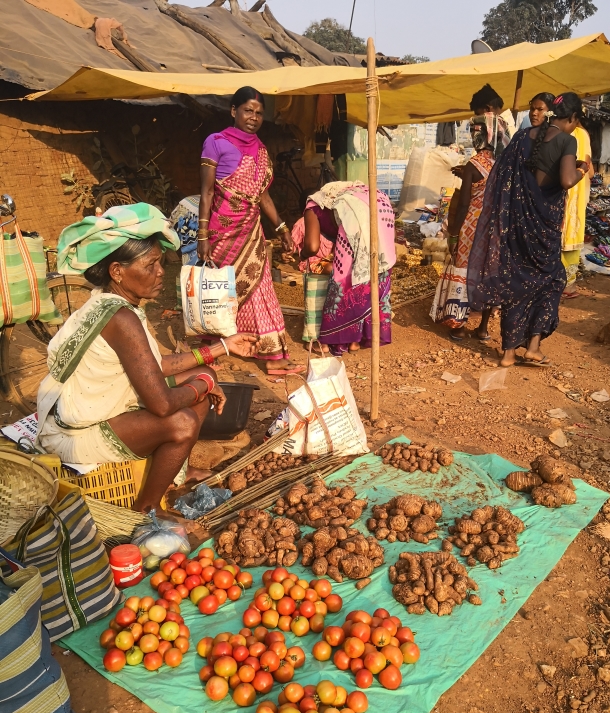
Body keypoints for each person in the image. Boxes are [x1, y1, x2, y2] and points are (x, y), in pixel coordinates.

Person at [35, 203, 259, 514]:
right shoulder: (121, 318)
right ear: (118, 271)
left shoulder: (110, 303)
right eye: (150, 264)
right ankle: (145, 511)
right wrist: (205, 383)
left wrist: (221, 348)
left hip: (88, 410)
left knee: (202, 378)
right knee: (181, 423)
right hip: (72, 436)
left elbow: (155, 365)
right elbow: (162, 405)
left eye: (160, 263)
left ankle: (173, 474)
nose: (160, 272)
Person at [467, 93, 589, 368]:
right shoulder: (566, 140)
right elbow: (567, 180)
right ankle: (532, 347)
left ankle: (509, 353)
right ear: (571, 119)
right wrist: (583, 169)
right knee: (553, 280)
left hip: (516, 228)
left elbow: (503, 177)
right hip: (543, 229)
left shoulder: (523, 137)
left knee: (516, 282)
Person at [197, 86, 303, 376]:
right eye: (248, 110)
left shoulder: (260, 149)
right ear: (234, 111)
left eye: (259, 113)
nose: (253, 117)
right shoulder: (215, 143)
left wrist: (282, 229)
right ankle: (214, 347)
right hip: (221, 234)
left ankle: (272, 355)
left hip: (251, 232)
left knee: (259, 289)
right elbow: (206, 193)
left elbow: (264, 197)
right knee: (220, 293)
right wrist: (202, 235)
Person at [296, 181, 396, 356]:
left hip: (357, 221)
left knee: (348, 283)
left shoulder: (312, 206)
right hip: (381, 212)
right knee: (369, 278)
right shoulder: (340, 199)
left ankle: (334, 340)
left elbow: (312, 246)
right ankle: (356, 340)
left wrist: (302, 255)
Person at [430, 116, 502, 339]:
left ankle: (459, 326)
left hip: (472, 225)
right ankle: (482, 328)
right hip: (494, 226)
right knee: (489, 271)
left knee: (462, 268)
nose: (472, 136)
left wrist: (454, 231)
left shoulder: (472, 166)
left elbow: (463, 204)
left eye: (474, 132)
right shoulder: (502, 165)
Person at [561, 121, 594, 299]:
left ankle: (558, 283)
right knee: (572, 235)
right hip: (579, 193)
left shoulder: (563, 134)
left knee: (559, 235)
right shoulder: (584, 135)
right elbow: (590, 171)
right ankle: (569, 284)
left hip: (563, 191)